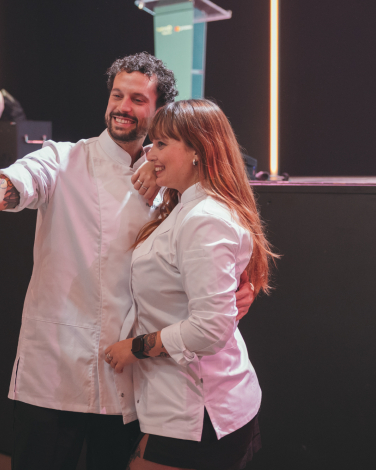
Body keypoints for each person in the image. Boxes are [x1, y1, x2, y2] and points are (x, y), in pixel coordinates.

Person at [0, 53, 254, 470]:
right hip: (55, 377)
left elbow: (226, 223)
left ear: (160, 110)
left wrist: (244, 285)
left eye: (138, 100)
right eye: (117, 95)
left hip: (131, 383)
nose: (123, 107)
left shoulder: (172, 173)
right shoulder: (62, 159)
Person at [105, 99, 277, 470]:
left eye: (161, 143)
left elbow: (210, 327)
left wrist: (134, 348)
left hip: (200, 410)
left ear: (198, 150)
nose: (150, 153)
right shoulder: (189, 207)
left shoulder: (204, 219)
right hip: (185, 403)